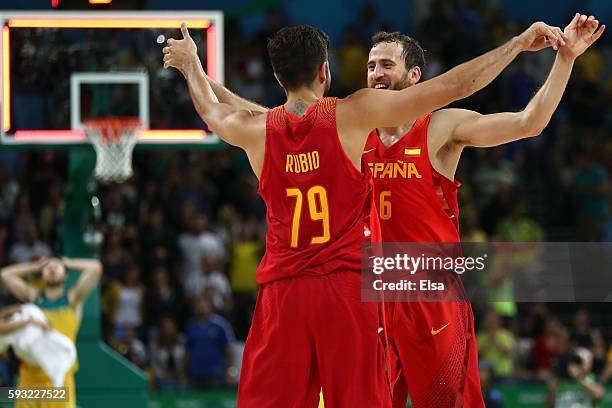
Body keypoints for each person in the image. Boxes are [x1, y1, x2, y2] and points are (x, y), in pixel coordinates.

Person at [194, 13, 604, 407]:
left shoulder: (441, 128)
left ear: (413, 77)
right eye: (371, 66)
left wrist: (564, 60)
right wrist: (202, 76)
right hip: (368, 295)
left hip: (429, 291)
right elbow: (271, 122)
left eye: (387, 65)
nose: (375, 73)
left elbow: (528, 123)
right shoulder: (350, 128)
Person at [1, 257, 102, 408]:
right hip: (29, 379)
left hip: (58, 381)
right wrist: (35, 266)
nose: (53, 268)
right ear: (41, 274)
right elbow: (5, 274)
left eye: (57, 267)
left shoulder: (73, 299)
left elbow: (95, 268)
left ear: (66, 274)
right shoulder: (33, 298)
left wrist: (67, 262)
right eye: (48, 267)